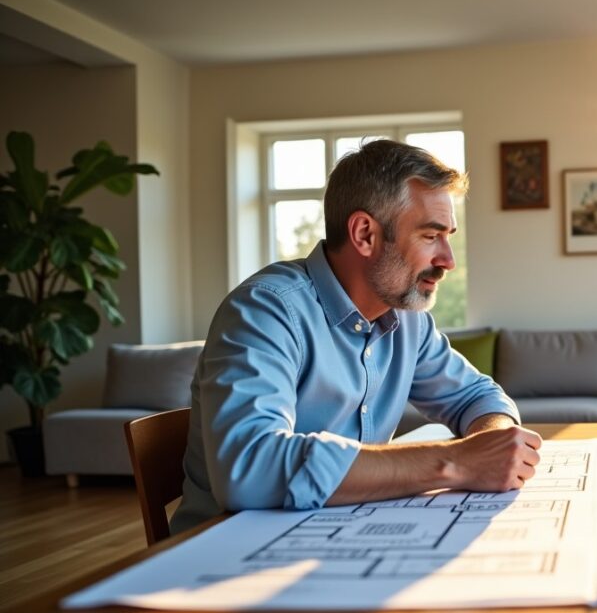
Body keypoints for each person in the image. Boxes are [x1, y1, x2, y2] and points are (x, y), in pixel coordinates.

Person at [171, 141, 542, 534]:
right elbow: (248, 468)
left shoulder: (405, 318)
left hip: (343, 537)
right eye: (430, 236)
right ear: (365, 234)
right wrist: (456, 462)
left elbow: (476, 397)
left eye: (447, 236)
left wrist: (494, 445)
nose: (448, 259)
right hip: (229, 558)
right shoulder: (265, 311)